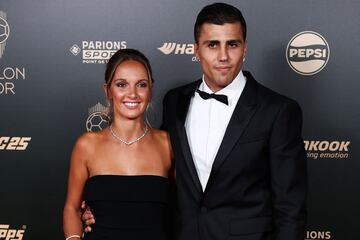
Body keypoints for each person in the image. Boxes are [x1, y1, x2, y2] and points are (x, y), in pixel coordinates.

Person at [84, 3, 307, 240]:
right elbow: (158, 177)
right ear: (196, 50)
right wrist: (104, 208)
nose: (223, 56)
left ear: (245, 49)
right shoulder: (175, 101)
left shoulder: (278, 110)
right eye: (212, 45)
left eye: (232, 44)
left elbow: (290, 208)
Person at [63, 49, 173, 240]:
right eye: (122, 85)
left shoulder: (168, 144)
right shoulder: (87, 145)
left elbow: (187, 207)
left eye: (141, 85)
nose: (132, 94)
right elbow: (72, 208)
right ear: (108, 91)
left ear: (150, 90)